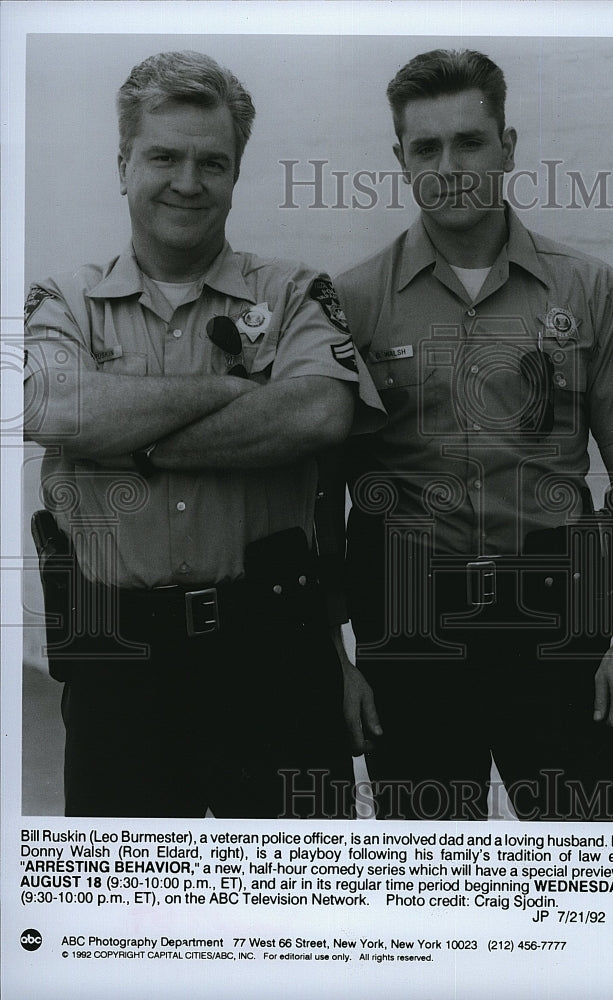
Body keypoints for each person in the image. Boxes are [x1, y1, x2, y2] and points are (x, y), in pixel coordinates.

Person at [23, 50, 383, 819]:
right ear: (122, 164)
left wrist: (131, 436)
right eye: (163, 156)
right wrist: (230, 391)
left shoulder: (294, 293)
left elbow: (318, 411)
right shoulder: (63, 300)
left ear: (234, 173)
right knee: (130, 918)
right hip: (119, 666)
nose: (188, 182)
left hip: (275, 657)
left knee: (300, 912)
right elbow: (50, 407)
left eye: (211, 162)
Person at [333, 49, 613, 821]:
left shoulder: (584, 289)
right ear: (400, 159)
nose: (448, 164)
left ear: (508, 146)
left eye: (469, 141)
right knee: (430, 880)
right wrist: (332, 659)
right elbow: (313, 491)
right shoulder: (352, 304)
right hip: (409, 627)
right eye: (425, 147)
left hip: (558, 621)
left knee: (589, 870)